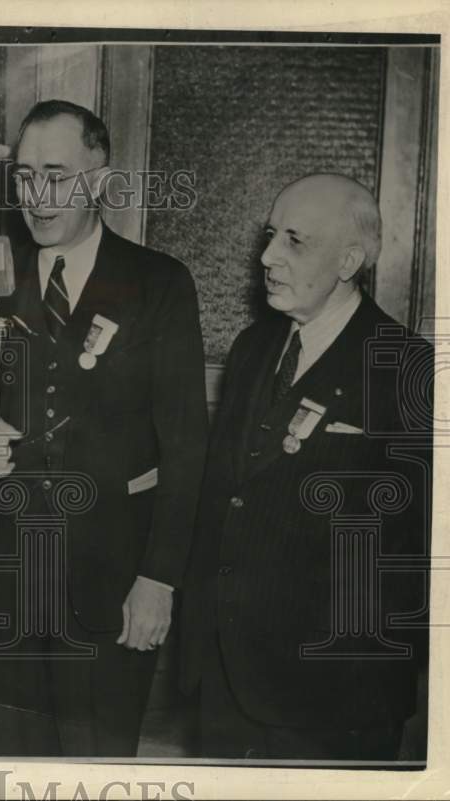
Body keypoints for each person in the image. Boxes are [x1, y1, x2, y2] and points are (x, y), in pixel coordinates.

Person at [0, 99, 209, 756]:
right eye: (26, 175)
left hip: (112, 584)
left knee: (96, 768)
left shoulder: (158, 284)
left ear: (98, 180)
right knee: (7, 765)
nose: (37, 196)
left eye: (57, 175)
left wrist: (159, 580)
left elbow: (186, 445)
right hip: (5, 582)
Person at [179, 173, 432, 760]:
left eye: (295, 241)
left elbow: (425, 550)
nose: (268, 256)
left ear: (348, 261)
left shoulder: (406, 368)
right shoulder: (251, 349)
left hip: (333, 699)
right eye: (271, 236)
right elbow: (225, 498)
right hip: (225, 684)